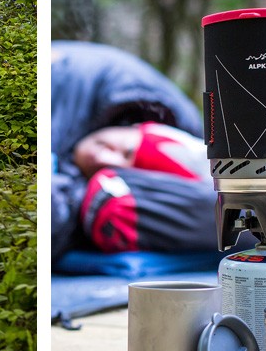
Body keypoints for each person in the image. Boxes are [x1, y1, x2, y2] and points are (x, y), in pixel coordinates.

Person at [51, 41, 218, 259]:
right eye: (127, 152)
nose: (101, 157)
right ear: (137, 127)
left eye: (109, 169)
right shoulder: (109, 86)